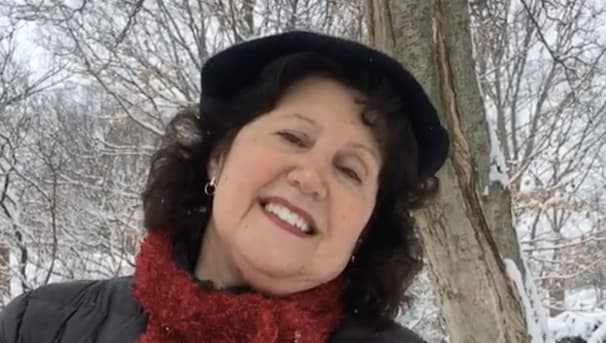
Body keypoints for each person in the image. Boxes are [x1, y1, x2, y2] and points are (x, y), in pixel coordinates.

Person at [0, 30, 449, 343]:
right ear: (218, 157)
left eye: (350, 170)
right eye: (292, 137)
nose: (310, 178)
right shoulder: (39, 324)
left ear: (368, 226)